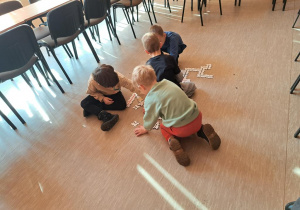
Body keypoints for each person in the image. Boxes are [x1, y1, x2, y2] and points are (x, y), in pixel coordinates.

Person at [132, 65, 221, 166]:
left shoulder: (150, 99)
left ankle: (172, 141)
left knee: (162, 127)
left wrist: (145, 128)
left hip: (181, 130)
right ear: (155, 77)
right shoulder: (167, 82)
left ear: (141, 87)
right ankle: (202, 130)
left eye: (140, 91)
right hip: (197, 117)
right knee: (189, 120)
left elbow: (150, 119)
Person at [81, 64, 139, 131]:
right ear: (99, 84)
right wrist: (102, 98)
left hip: (113, 95)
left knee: (122, 105)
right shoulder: (92, 82)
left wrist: (147, 98)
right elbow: (92, 92)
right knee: (83, 103)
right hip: (100, 94)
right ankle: (106, 116)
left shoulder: (119, 77)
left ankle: (93, 108)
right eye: (110, 86)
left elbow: (132, 85)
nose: (113, 88)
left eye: (115, 85)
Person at [142, 32, 196, 97]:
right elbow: (180, 78)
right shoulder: (170, 58)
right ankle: (180, 98)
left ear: (146, 52)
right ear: (160, 45)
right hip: (175, 90)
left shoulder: (147, 66)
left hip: (161, 95)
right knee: (192, 85)